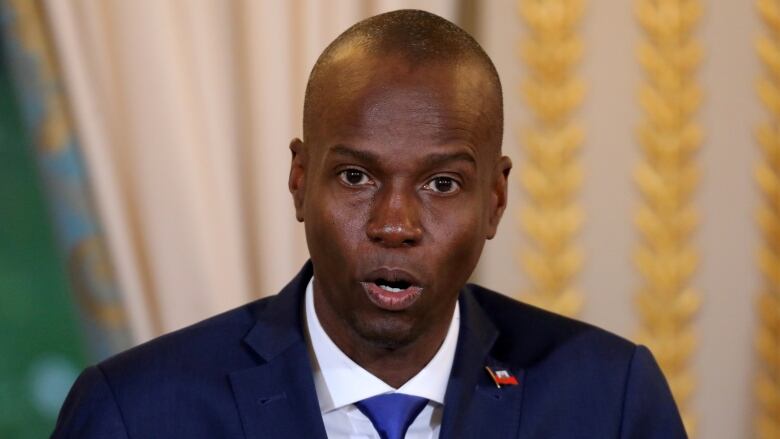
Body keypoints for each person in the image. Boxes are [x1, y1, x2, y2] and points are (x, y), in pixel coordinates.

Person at [52, 9, 686, 439]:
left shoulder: (610, 401)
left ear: (495, 199)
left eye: (442, 184)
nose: (395, 224)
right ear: (300, 179)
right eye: (356, 177)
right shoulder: (136, 412)